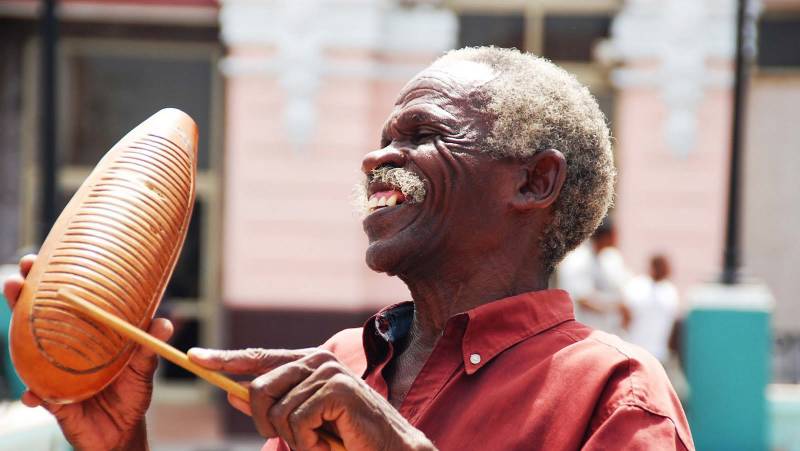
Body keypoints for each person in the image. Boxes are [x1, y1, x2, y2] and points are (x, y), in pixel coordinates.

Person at [3, 47, 693, 451]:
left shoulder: (614, 394)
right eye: (384, 136)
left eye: (422, 133)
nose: (376, 158)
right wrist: (121, 443)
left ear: (534, 180)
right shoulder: (344, 363)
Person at [558, 219, 631, 336]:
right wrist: (616, 307)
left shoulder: (609, 259)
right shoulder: (578, 259)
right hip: (581, 334)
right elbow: (583, 301)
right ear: (607, 236)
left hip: (604, 332)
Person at [620, 255, 680, 364]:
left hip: (659, 354)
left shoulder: (670, 290)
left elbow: (672, 323)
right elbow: (625, 313)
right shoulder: (637, 285)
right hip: (634, 350)